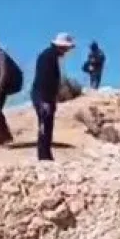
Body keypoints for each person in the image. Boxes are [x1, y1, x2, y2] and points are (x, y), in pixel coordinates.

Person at [32, 33, 75, 161]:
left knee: (47, 124)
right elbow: (44, 79)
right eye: (66, 48)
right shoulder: (48, 57)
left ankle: (46, 155)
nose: (67, 51)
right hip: (42, 96)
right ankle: (43, 156)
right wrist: (44, 100)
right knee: (45, 124)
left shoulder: (50, 56)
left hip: (45, 96)